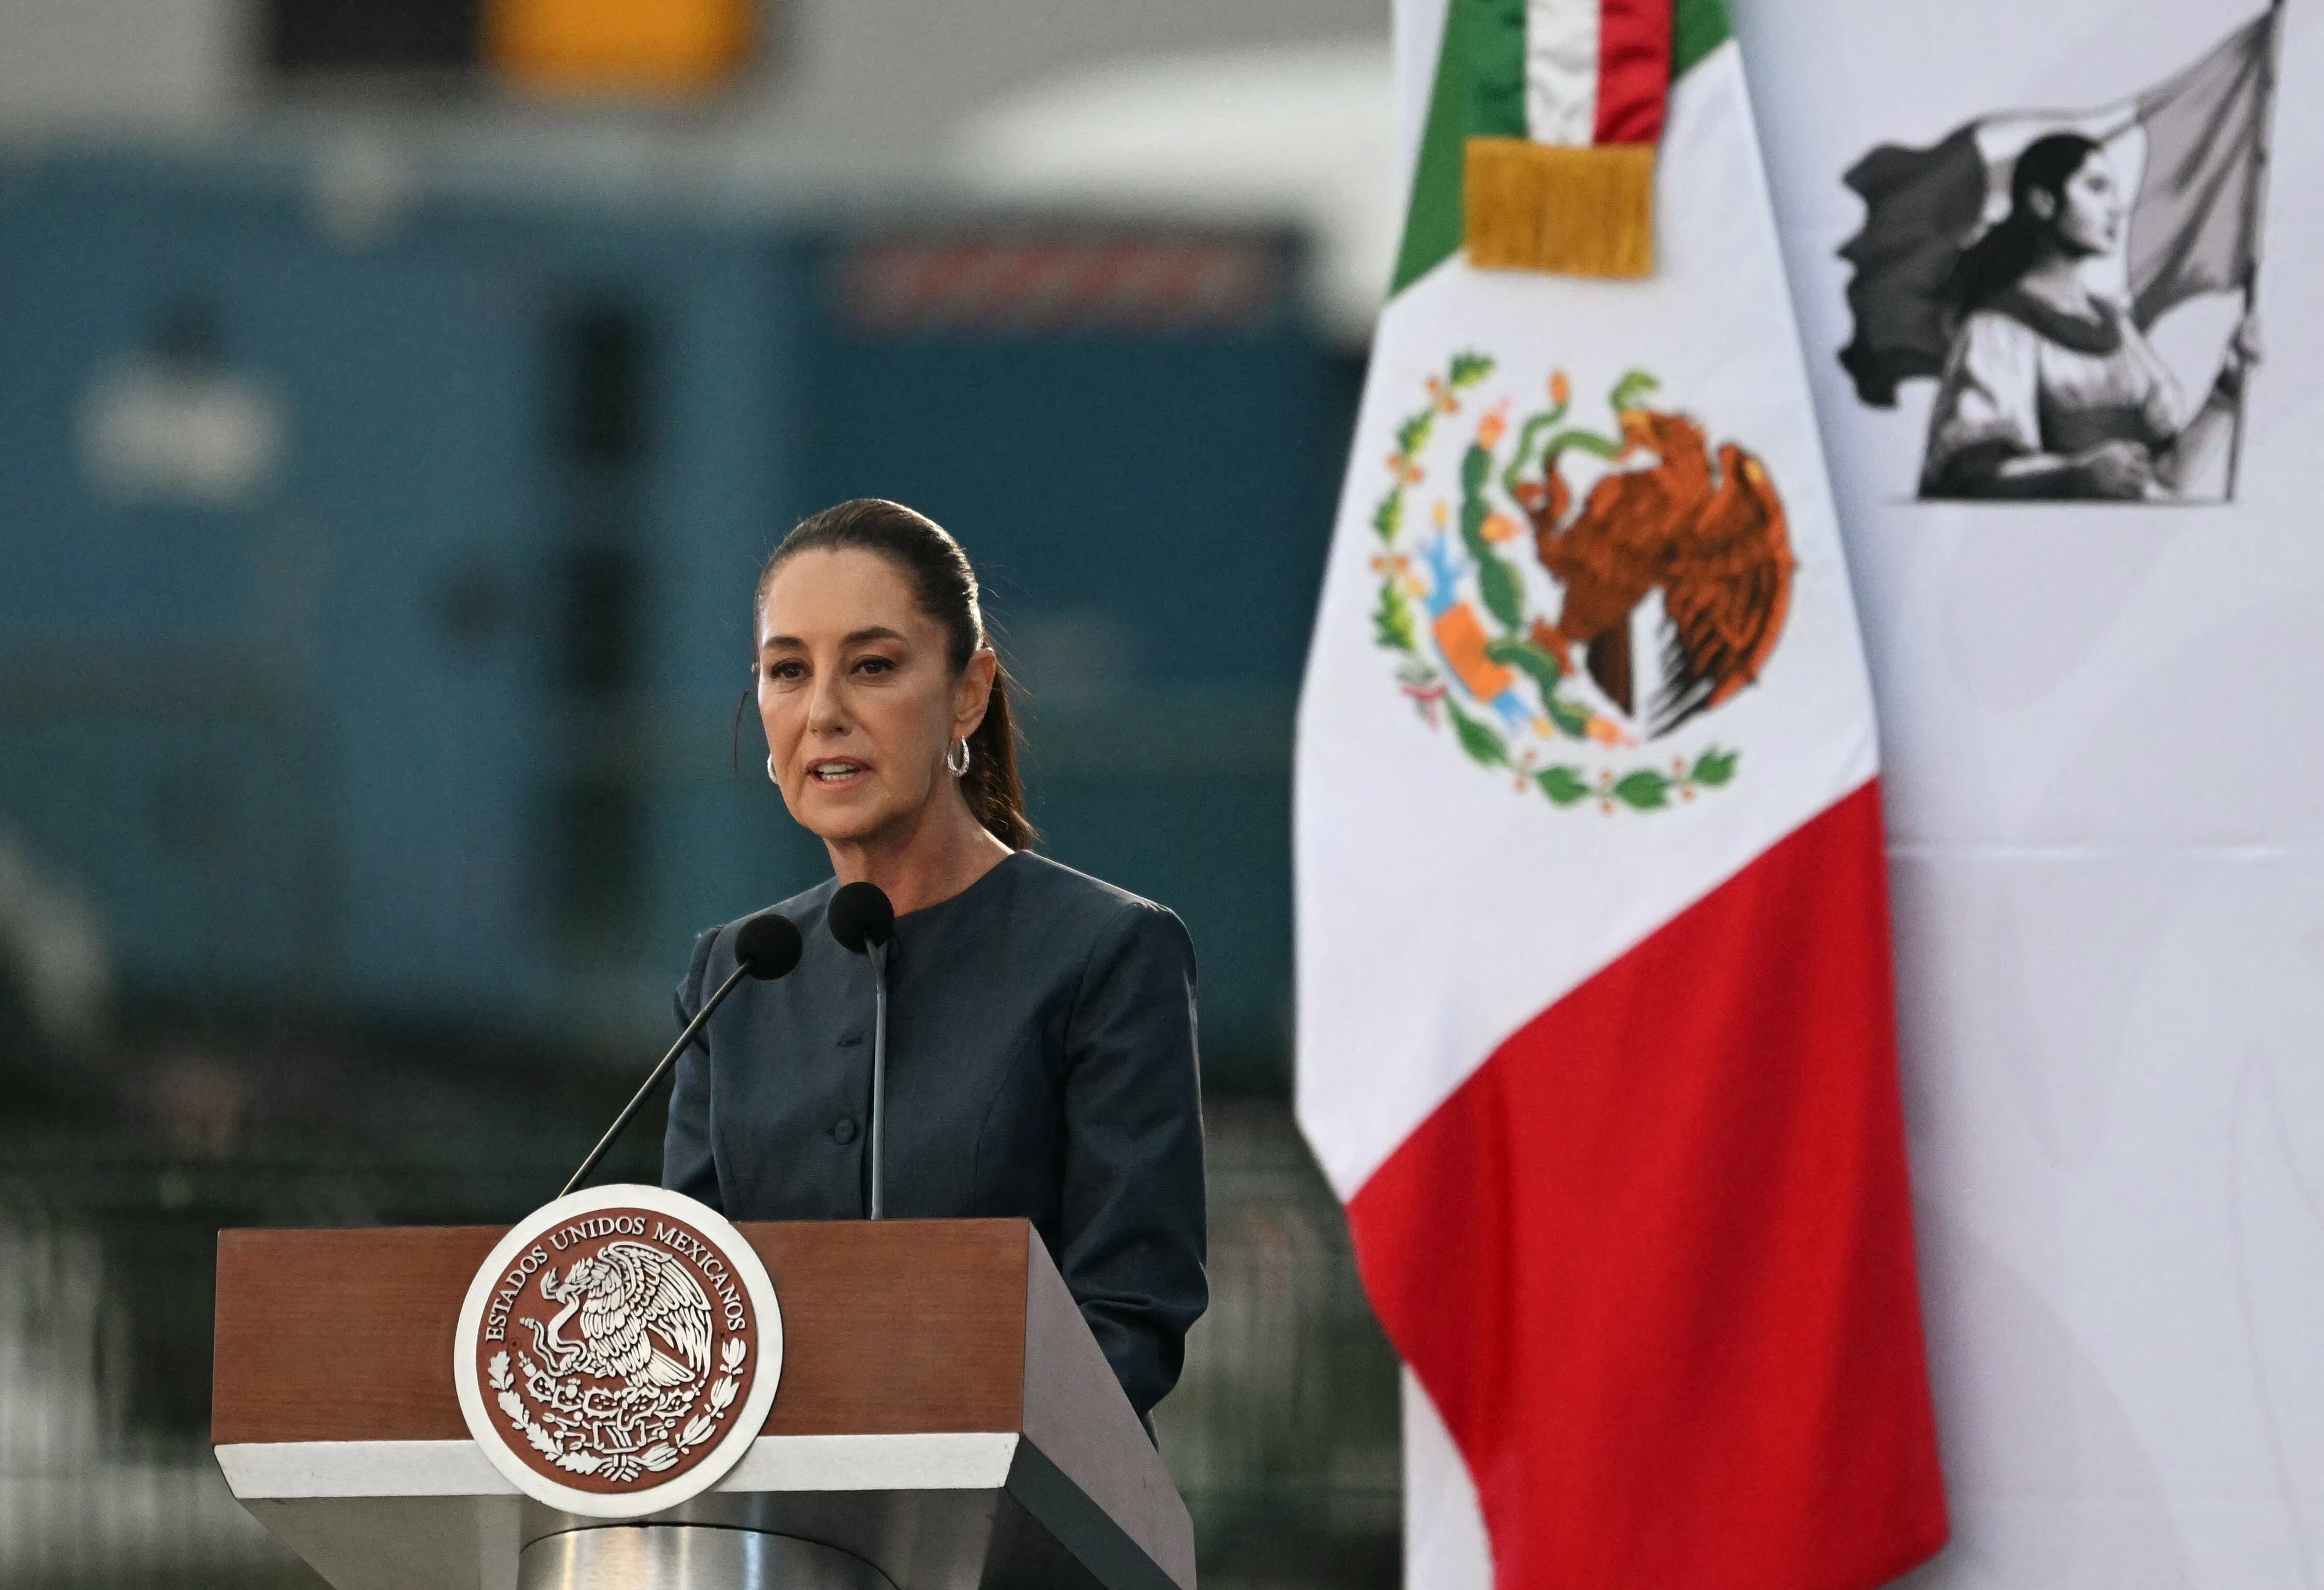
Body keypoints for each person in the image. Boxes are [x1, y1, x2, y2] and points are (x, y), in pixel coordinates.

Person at [661, 498, 1206, 1429]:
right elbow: (694, 1306)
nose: (822, 711)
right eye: (786, 670)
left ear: (968, 690)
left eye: (872, 667)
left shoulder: (1106, 951)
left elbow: (1129, 1318)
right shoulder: (736, 972)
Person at [1919, 132, 2258, 500]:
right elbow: (1970, 476)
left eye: (2113, 191)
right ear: (2044, 201)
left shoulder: (2117, 327)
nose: (2116, 208)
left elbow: (2171, 476)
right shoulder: (1996, 330)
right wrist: (2073, 476)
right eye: (2096, 188)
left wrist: (2227, 389)